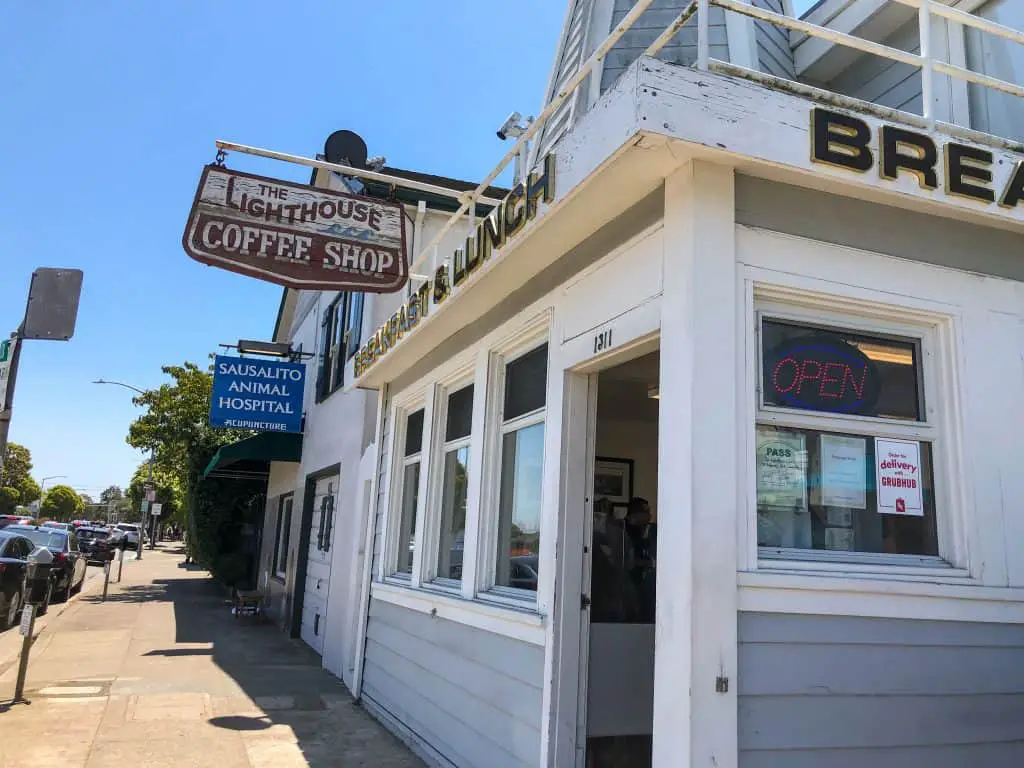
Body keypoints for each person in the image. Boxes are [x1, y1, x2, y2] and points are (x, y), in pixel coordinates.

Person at [624, 497, 656, 623]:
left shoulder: (652, 530)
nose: (650, 515)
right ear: (636, 514)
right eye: (646, 512)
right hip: (628, 583)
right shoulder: (622, 530)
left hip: (646, 584)